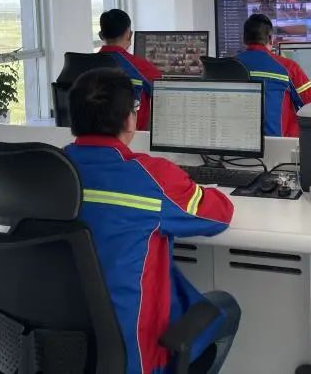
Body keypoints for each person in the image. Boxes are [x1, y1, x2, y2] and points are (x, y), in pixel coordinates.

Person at [65, 68, 238, 374]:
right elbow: (218, 214)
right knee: (226, 306)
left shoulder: (47, 171)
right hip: (137, 358)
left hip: (59, 350)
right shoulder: (152, 176)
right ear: (129, 120)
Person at [236, 14, 311, 137]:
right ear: (271, 39)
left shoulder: (229, 65)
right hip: (279, 145)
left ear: (244, 39)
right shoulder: (288, 67)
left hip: (237, 142)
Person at [97, 9, 162, 131]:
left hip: (89, 134)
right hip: (133, 136)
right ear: (129, 34)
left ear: (101, 35)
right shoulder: (142, 68)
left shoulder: (84, 64)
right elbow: (163, 92)